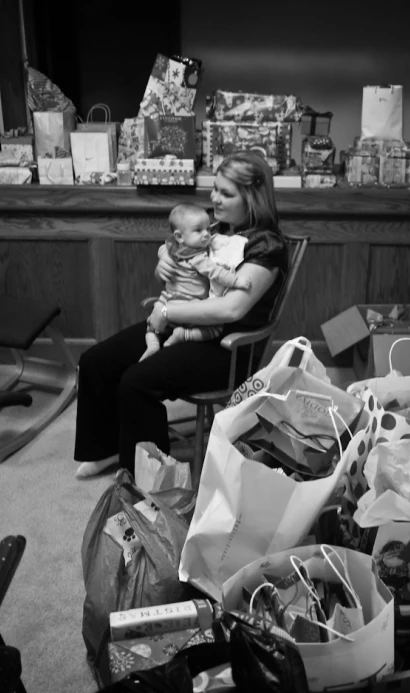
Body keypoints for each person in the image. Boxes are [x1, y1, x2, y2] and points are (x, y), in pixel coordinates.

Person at [74, 150, 288, 478]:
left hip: (228, 347)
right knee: (95, 361)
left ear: (252, 198)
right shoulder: (218, 229)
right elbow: (175, 244)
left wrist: (167, 309)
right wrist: (164, 256)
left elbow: (233, 307)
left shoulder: (266, 247)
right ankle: (108, 448)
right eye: (214, 188)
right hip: (183, 322)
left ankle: (153, 479)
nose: (214, 198)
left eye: (226, 193)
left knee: (136, 382)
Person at [141, 202, 251, 362]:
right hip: (189, 305)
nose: (206, 234)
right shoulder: (198, 257)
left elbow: (163, 248)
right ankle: (183, 335)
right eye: (199, 230)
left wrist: (162, 255)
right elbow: (215, 272)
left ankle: (152, 344)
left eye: (208, 228)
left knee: (151, 327)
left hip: (165, 301)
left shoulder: (174, 247)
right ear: (179, 236)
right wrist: (236, 281)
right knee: (216, 329)